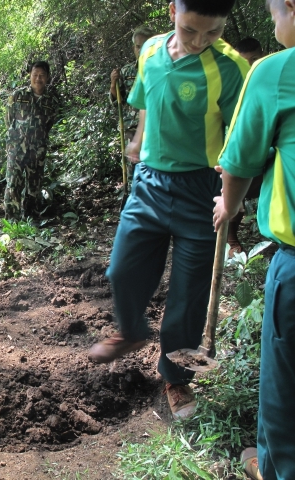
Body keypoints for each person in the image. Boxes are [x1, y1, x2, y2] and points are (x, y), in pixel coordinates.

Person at [87, 0, 250, 421]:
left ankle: (175, 377)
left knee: (187, 296)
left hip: (202, 190)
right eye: (191, 29)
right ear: (173, 10)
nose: (199, 41)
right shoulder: (151, 50)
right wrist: (139, 140)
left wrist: (231, 198)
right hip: (150, 183)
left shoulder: (231, 68)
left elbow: (244, 139)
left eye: (213, 32)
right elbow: (146, 100)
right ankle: (132, 331)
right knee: (122, 270)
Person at [213, 0, 295, 477]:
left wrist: (229, 203)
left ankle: (277, 467)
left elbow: (239, 162)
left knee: (285, 385)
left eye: (273, 11)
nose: (272, 20)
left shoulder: (275, 71)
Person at [4, 60, 60, 220]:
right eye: (35, 75)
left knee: (34, 185)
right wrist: (16, 138)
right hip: (16, 148)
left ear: (47, 77)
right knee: (13, 183)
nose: (38, 79)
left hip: (37, 149)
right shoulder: (18, 95)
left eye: (42, 75)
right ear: (30, 75)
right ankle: (12, 220)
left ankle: (31, 218)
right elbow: (8, 119)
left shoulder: (52, 101)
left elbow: (49, 124)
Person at [226, 37, 266, 256]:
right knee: (235, 186)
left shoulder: (269, 78)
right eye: (244, 62)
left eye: (254, 60)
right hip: (236, 147)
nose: (250, 66)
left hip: (265, 146)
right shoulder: (231, 83)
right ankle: (230, 237)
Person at [109, 25, 156, 143]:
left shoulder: (161, 69)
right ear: (134, 48)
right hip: (132, 128)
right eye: (138, 47)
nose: (140, 50)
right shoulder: (126, 71)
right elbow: (118, 102)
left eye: (144, 46)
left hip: (154, 127)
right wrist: (113, 84)